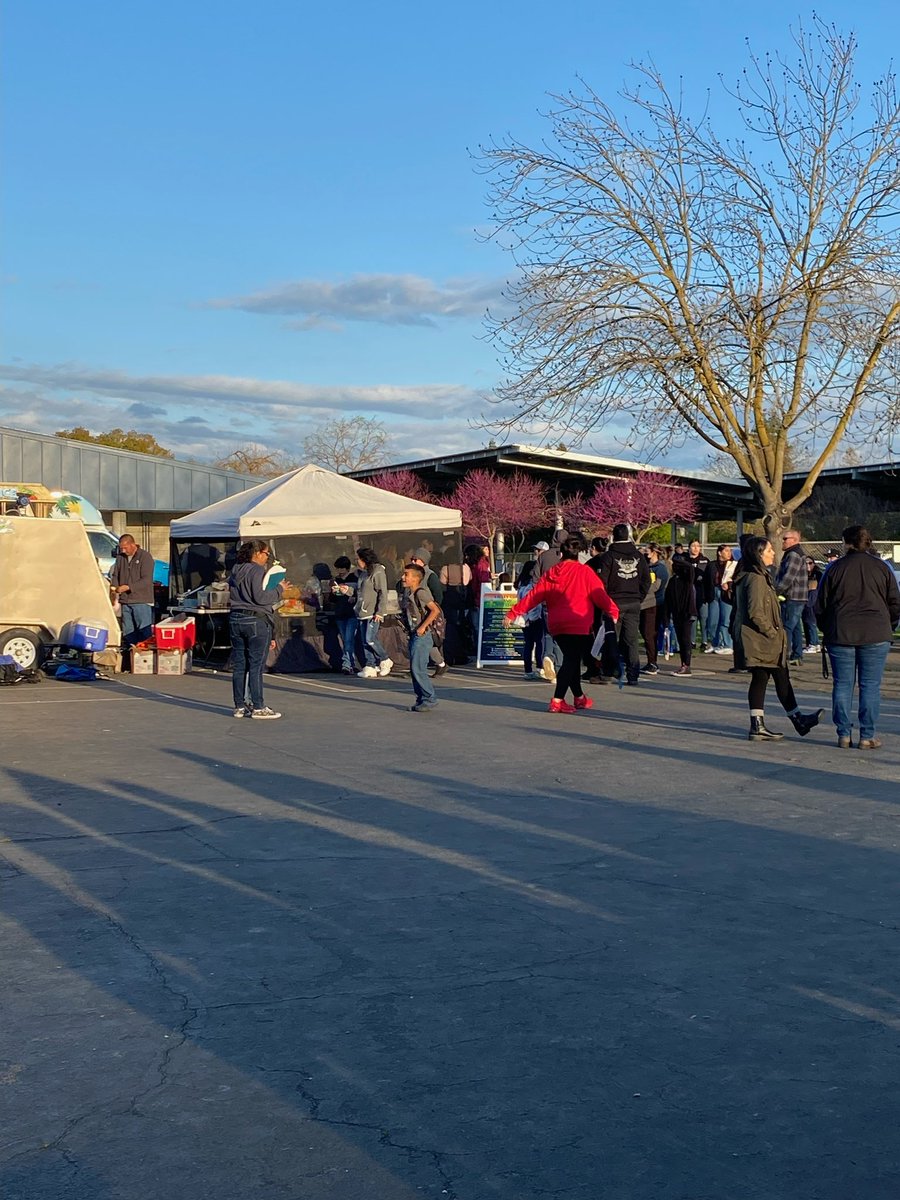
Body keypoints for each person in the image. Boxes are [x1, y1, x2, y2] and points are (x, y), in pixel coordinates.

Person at [505, 534, 619, 713]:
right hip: (579, 621)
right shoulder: (585, 572)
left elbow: (534, 596)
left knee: (570, 660)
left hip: (556, 624)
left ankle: (579, 697)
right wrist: (613, 611)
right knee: (571, 660)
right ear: (578, 554)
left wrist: (514, 612)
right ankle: (557, 700)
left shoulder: (551, 573)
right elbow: (600, 595)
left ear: (561, 554)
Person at [815, 524, 900, 749]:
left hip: (841, 632)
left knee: (842, 684)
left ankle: (844, 733)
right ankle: (867, 734)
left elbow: (820, 604)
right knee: (870, 685)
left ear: (848, 543)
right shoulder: (882, 568)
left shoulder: (834, 569)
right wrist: (889, 625)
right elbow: (894, 602)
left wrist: (827, 628)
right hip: (876, 632)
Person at [733, 536, 822, 741]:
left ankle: (767, 723)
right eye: (770, 550)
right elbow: (755, 611)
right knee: (776, 675)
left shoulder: (757, 574)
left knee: (765, 677)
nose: (774, 553)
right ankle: (794, 720)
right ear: (759, 553)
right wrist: (772, 632)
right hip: (761, 638)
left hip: (760, 637)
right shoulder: (755, 577)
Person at [227, 539, 284, 719]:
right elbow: (261, 597)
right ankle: (258, 706)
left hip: (236, 618)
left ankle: (240, 706)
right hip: (256, 619)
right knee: (256, 666)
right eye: (266, 554)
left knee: (240, 665)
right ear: (257, 553)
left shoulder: (236, 570)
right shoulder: (257, 570)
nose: (267, 558)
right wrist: (279, 589)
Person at [596, 523, 651, 685]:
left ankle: (607, 672)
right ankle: (633, 674)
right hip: (633, 601)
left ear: (613, 536)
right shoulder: (638, 556)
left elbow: (602, 583)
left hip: (614, 601)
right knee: (631, 640)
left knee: (611, 638)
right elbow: (646, 580)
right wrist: (638, 597)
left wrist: (606, 601)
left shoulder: (608, 557)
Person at [399, 562, 442, 712]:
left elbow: (434, 610)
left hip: (423, 635)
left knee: (418, 668)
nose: (403, 577)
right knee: (414, 668)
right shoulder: (408, 593)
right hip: (414, 633)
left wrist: (423, 627)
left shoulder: (421, 593)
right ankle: (421, 698)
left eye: (406, 575)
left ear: (416, 578)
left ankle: (429, 698)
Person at [110, 534, 156, 650]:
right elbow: (116, 574)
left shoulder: (145, 557)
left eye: (125, 547)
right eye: (121, 548)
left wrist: (128, 587)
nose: (123, 550)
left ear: (133, 544)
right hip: (125, 601)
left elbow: (146, 580)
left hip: (141, 600)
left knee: (144, 630)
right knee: (128, 631)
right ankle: (130, 655)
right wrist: (114, 586)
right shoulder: (120, 557)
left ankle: (146, 654)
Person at [354, 548, 393, 679]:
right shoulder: (363, 573)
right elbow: (359, 591)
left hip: (373, 612)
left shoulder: (378, 571)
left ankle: (385, 659)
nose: (357, 561)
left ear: (365, 559)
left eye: (358, 559)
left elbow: (382, 592)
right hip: (361, 611)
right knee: (364, 641)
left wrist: (380, 612)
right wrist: (346, 590)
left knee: (370, 639)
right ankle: (370, 665)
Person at [411, 548, 447, 677]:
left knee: (425, 638)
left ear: (424, 561)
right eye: (412, 559)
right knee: (422, 640)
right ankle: (439, 663)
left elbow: (438, 595)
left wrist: (433, 609)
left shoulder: (430, 575)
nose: (413, 561)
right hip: (413, 612)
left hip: (427, 612)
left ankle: (424, 666)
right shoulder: (410, 573)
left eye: (416, 559)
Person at [774, 529, 808, 666]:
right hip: (798, 596)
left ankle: (784, 654)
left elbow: (788, 577)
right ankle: (797, 655)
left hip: (792, 596)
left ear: (794, 540)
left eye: (785, 538)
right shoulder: (795, 553)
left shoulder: (793, 554)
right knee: (795, 627)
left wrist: (776, 590)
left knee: (786, 626)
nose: (783, 541)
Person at [665, 555, 697, 676]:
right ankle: (683, 663)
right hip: (677, 613)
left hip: (687, 613)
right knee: (681, 639)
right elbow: (668, 600)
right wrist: (666, 617)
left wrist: (678, 559)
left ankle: (686, 665)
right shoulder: (673, 581)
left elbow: (690, 568)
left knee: (685, 639)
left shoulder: (687, 579)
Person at [639, 544, 668, 675]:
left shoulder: (660, 568)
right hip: (643, 604)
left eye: (647, 551)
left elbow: (655, 587)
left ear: (654, 552)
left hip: (654, 604)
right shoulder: (646, 567)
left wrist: (640, 589)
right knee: (645, 633)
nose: (645, 553)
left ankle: (653, 662)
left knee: (650, 633)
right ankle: (650, 661)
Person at [514, 559, 545, 680]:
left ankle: (528, 670)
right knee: (540, 643)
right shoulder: (532, 585)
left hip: (523, 618)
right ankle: (539, 668)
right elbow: (533, 603)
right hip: (534, 617)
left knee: (528, 644)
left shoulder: (521, 584)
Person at [705, 545, 736, 653]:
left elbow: (736, 579)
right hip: (714, 593)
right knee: (713, 620)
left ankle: (727, 644)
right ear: (719, 552)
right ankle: (715, 643)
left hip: (726, 594)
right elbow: (707, 580)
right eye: (726, 551)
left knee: (725, 620)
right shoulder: (712, 565)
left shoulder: (733, 565)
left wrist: (729, 585)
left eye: (730, 551)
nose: (729, 553)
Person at [331, 556, 360, 674]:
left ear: (347, 568)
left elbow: (359, 593)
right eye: (338, 569)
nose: (339, 571)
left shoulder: (354, 578)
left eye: (341, 568)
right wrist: (333, 592)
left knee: (349, 639)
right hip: (339, 613)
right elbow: (332, 599)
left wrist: (353, 596)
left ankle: (347, 664)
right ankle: (351, 663)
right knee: (345, 639)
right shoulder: (335, 580)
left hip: (352, 613)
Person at [687, 540, 712, 651]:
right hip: (690, 593)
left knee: (704, 618)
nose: (696, 548)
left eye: (698, 546)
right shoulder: (685, 560)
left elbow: (707, 578)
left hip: (702, 593)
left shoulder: (705, 561)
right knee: (692, 618)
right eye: (693, 546)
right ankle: (692, 641)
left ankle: (704, 641)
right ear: (689, 548)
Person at [802, 556, 821, 654]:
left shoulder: (817, 574)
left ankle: (813, 643)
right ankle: (813, 643)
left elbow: (815, 586)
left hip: (813, 600)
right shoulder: (802, 574)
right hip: (805, 599)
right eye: (805, 563)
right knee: (807, 622)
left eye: (810, 563)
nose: (808, 565)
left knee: (811, 622)